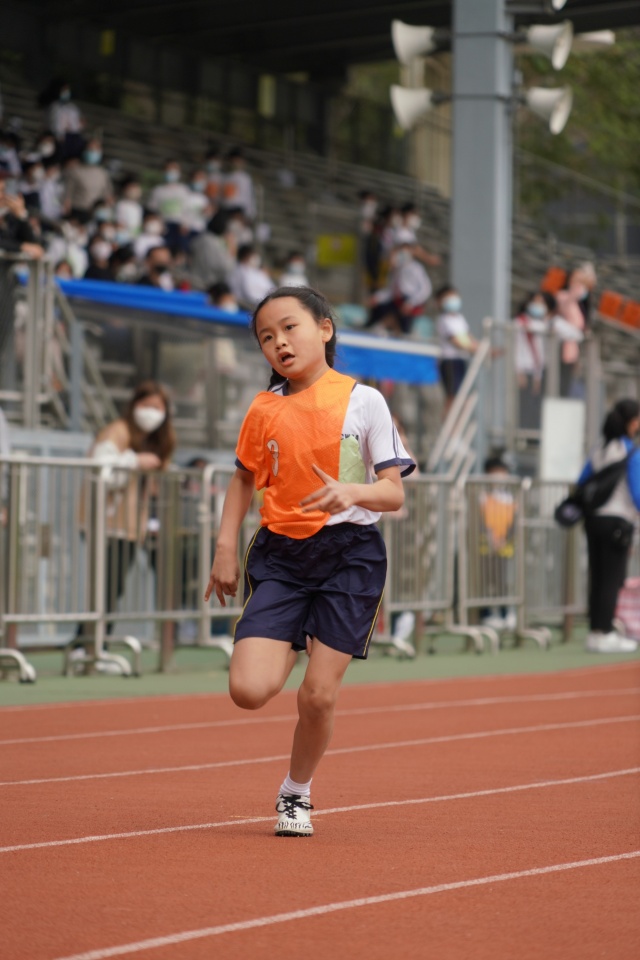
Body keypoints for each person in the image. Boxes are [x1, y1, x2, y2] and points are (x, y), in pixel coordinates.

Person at [204, 286, 415, 837]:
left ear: (325, 328)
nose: (279, 342)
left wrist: (353, 492)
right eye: (266, 337)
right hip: (282, 555)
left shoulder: (364, 400)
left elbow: (393, 493)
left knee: (317, 696)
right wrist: (224, 548)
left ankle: (295, 793)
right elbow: (244, 478)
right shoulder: (264, 408)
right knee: (249, 691)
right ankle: (296, 632)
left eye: (289, 327)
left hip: (350, 555)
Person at [82, 381, 176, 633]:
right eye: (146, 405)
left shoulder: (155, 440)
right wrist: (135, 461)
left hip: (132, 526)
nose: (151, 412)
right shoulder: (117, 431)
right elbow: (102, 473)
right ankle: (88, 642)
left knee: (114, 587)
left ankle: (93, 641)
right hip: (107, 523)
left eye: (157, 407)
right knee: (106, 587)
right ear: (134, 404)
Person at [578, 398, 640, 654]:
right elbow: (637, 491)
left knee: (597, 576)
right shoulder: (629, 450)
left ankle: (595, 631)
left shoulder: (600, 448)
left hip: (593, 520)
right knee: (611, 579)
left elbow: (582, 480)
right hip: (617, 521)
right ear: (632, 422)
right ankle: (604, 632)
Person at [435, 284, 478, 415]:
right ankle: (448, 426)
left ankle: (457, 424)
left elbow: (469, 338)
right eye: (448, 297)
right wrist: (475, 349)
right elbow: (457, 342)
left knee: (462, 397)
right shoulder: (443, 320)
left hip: (460, 360)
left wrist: (483, 349)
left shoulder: (460, 319)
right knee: (452, 397)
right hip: (450, 361)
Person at [513, 291, 549, 430]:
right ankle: (522, 431)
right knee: (524, 405)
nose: (539, 305)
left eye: (542, 302)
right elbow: (516, 348)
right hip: (524, 369)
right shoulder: (520, 322)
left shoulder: (542, 324)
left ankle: (532, 431)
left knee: (536, 406)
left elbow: (540, 351)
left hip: (536, 370)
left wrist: (538, 375)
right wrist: (519, 371)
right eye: (536, 302)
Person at [62, 139, 112, 215]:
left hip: (95, 212)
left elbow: (107, 195)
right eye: (90, 149)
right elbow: (66, 193)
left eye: (96, 149)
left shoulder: (103, 173)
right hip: (77, 211)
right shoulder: (74, 170)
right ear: (84, 151)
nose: (93, 152)